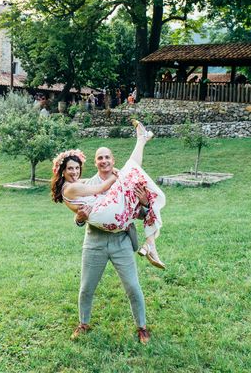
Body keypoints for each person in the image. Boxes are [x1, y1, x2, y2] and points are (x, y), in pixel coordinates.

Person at [51, 121, 166, 343]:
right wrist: (78, 218)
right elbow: (79, 210)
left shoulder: (122, 179)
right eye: (99, 158)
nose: (104, 161)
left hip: (121, 240)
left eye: (107, 157)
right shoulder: (86, 183)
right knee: (86, 287)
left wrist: (142, 202)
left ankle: (141, 327)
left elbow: (139, 213)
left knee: (133, 286)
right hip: (95, 241)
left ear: (112, 160)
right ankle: (83, 323)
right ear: (95, 163)